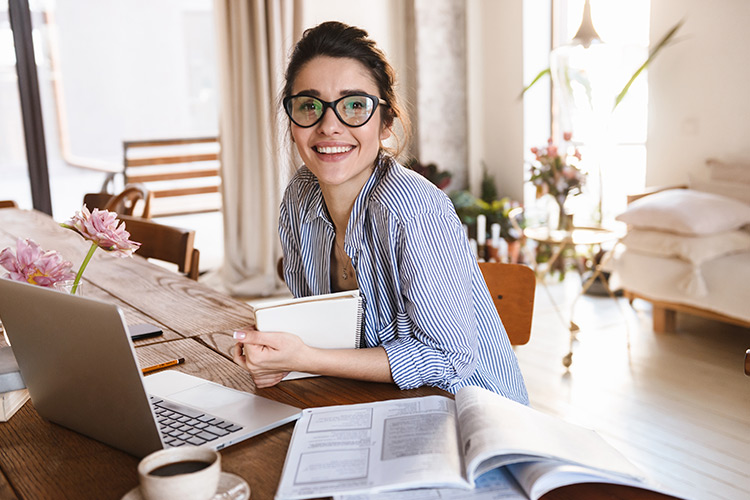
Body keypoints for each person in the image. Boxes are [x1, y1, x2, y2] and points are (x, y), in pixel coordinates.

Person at [232, 21, 528, 404]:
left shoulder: (413, 209)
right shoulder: (299, 198)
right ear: (293, 122)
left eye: (354, 105)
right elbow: (322, 332)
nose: (329, 126)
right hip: (372, 402)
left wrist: (308, 358)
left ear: (386, 122)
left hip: (470, 417)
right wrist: (282, 357)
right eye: (309, 106)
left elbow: (450, 360)